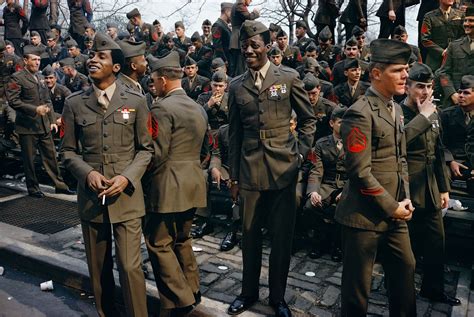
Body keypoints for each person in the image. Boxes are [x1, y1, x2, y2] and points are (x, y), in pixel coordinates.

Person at [227, 20, 316, 317]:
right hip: (250, 167)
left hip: (284, 167)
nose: (249, 50)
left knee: (281, 237)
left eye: (255, 45)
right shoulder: (236, 85)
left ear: (267, 46)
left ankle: (278, 298)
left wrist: (300, 155)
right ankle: (248, 293)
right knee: (249, 234)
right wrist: (234, 176)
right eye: (245, 45)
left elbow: (308, 120)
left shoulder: (288, 77)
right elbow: (236, 134)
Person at [60, 32, 152, 317]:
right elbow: (67, 152)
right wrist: (87, 174)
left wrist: (126, 178)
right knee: (98, 268)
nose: (92, 60)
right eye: (92, 55)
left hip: (126, 197)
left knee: (129, 265)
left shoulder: (136, 101)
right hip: (91, 199)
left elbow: (146, 150)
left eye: (102, 57)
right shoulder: (74, 103)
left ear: (116, 67)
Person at [335, 39, 416, 316]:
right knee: (358, 290)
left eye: (406, 69)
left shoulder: (396, 109)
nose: (406, 75)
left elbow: (400, 158)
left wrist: (404, 199)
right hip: (363, 216)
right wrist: (391, 205)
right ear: (377, 74)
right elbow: (359, 172)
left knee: (406, 269)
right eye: (398, 70)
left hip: (395, 212)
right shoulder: (359, 112)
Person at [145, 51, 207, 317]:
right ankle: (192, 290)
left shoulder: (161, 108)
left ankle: (180, 301)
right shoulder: (198, 107)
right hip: (193, 183)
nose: (153, 85)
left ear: (163, 80)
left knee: (158, 242)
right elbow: (205, 150)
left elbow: (157, 154)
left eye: (154, 80)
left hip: (167, 186)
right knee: (182, 239)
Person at [401, 62, 460, 306]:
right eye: (419, 87)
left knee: (437, 242)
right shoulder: (397, 113)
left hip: (430, 187)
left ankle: (433, 289)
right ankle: (402, 290)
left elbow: (437, 152)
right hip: (407, 186)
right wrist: (423, 117)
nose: (424, 93)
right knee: (407, 246)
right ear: (406, 87)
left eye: (428, 87)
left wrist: (444, 188)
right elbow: (398, 142)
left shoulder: (434, 113)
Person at [6, 45, 72, 197]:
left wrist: (52, 121)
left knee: (51, 157)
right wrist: (34, 109)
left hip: (43, 125)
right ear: (25, 60)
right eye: (34, 60)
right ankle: (33, 188)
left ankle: (60, 185)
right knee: (29, 159)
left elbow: (47, 100)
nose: (37, 62)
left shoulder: (41, 77)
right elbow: (13, 101)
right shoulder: (17, 78)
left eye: (38, 60)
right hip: (27, 126)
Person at [304, 106, 347, 261]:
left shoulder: (356, 144)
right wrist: (313, 191)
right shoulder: (321, 144)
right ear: (331, 123)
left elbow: (358, 172)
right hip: (326, 185)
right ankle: (319, 242)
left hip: (346, 186)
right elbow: (316, 170)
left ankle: (337, 246)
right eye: (341, 122)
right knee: (310, 206)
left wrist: (346, 192)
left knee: (343, 208)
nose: (345, 125)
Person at [436, 6, 474, 107]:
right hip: (455, 102)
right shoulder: (454, 46)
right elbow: (443, 73)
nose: (466, 24)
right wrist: (452, 94)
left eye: (471, 21)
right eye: (465, 20)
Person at [440, 75, 474, 181]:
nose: (460, 96)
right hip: (454, 160)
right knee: (442, 174)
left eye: (466, 93)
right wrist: (450, 161)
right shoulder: (446, 115)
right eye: (459, 92)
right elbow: (440, 142)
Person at [421, 0, 465, 72]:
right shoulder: (429, 16)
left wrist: (454, 48)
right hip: (435, 62)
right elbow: (425, 39)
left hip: (456, 59)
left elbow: (464, 35)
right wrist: (442, 52)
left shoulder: (460, 15)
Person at [229, 0, 260, 77]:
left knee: (239, 68)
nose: (251, 0)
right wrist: (256, 13)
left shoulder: (237, 5)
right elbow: (249, 18)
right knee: (240, 69)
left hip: (237, 40)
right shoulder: (239, 4)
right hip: (239, 41)